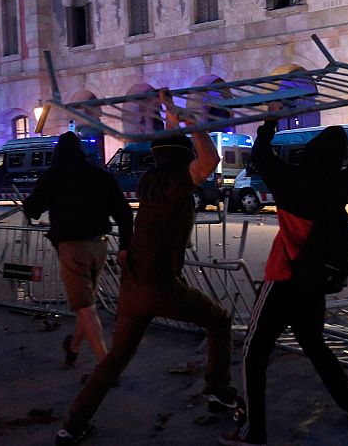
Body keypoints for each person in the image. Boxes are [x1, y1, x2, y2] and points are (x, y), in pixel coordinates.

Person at [56, 89, 234, 445]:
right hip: (160, 286)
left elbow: (169, 148)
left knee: (117, 358)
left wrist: (170, 114)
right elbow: (207, 162)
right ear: (180, 161)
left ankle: (72, 425)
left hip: (133, 287)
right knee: (219, 320)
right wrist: (196, 125)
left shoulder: (153, 181)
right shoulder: (172, 186)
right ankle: (217, 390)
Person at [219, 99, 348, 446]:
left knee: (254, 353)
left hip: (284, 279)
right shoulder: (340, 184)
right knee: (316, 347)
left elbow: (259, 156)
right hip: (314, 281)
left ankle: (254, 431)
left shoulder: (291, 181)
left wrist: (271, 121)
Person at [23, 131, 133, 367]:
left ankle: (106, 367)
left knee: (86, 308)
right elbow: (124, 213)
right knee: (87, 301)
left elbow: (33, 208)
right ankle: (73, 348)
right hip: (99, 245)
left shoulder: (54, 175)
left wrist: (27, 204)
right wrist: (125, 245)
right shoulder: (101, 176)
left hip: (72, 247)